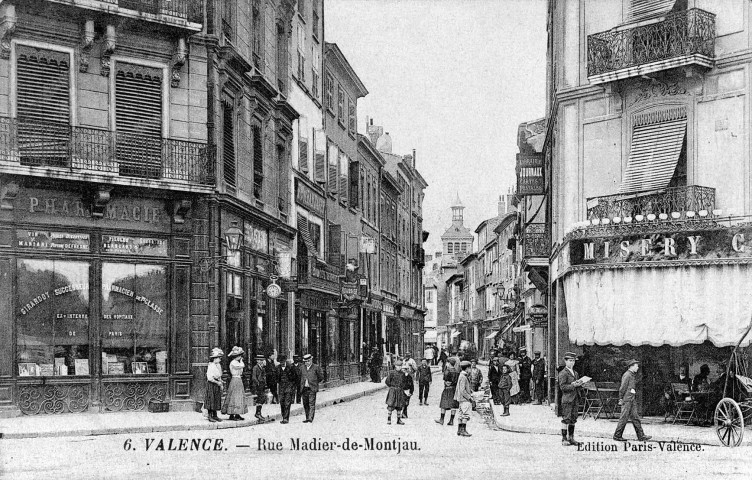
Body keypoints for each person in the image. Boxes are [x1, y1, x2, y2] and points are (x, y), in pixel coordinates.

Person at [613, 359, 651, 442]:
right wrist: (620, 398)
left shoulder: (631, 375)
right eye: (636, 366)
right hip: (627, 400)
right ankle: (617, 435)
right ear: (632, 366)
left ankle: (641, 436)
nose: (637, 367)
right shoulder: (627, 375)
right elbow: (622, 388)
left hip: (631, 399)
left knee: (635, 417)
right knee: (623, 418)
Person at [558, 352, 585, 446]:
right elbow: (563, 387)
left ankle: (571, 438)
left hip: (575, 398)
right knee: (566, 419)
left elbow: (576, 386)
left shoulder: (576, 373)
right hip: (567, 399)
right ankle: (564, 438)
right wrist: (573, 385)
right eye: (570, 361)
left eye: (573, 361)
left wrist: (580, 384)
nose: (572, 363)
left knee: (573, 419)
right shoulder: (563, 373)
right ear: (565, 361)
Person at [221, 346, 247, 421]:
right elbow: (242, 366)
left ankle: (237, 413)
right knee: (234, 396)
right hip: (235, 379)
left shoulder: (237, 362)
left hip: (238, 379)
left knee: (239, 396)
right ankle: (232, 413)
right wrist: (242, 361)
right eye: (239, 356)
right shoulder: (233, 363)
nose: (240, 357)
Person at [299, 353, 324, 423]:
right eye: (306, 361)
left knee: (311, 403)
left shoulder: (316, 367)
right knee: (305, 403)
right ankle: (307, 417)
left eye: (308, 361)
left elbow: (321, 377)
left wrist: (315, 383)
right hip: (304, 389)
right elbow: (299, 377)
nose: (307, 363)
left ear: (311, 360)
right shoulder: (302, 368)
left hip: (312, 388)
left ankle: (310, 418)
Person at [435, 358, 459, 426]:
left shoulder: (447, 371)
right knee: (453, 405)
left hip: (447, 388)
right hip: (454, 389)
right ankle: (451, 421)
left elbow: (445, 380)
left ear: (449, 363)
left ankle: (441, 419)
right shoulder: (457, 372)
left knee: (443, 404)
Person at [277, 354, 299, 424]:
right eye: (280, 362)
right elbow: (276, 378)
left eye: (283, 362)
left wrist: (293, 387)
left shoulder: (291, 367)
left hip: (289, 387)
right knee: (282, 402)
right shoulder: (277, 368)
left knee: (287, 403)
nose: (282, 364)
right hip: (281, 387)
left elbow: (296, 377)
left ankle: (286, 418)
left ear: (285, 361)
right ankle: (284, 416)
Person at [454, 360, 473, 437]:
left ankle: (459, 430)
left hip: (460, 399)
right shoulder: (464, 377)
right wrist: (470, 397)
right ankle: (463, 430)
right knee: (465, 415)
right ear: (467, 368)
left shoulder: (461, 376)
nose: (470, 370)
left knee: (461, 414)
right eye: (470, 368)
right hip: (464, 399)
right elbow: (462, 390)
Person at [204, 347, 224, 423]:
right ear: (215, 358)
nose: (220, 359)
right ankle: (210, 416)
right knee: (211, 400)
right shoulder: (211, 366)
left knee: (216, 399)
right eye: (219, 358)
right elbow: (210, 378)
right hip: (212, 384)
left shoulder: (217, 365)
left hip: (216, 384)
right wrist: (217, 382)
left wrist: (220, 381)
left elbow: (218, 375)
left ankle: (215, 415)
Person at [385, 360, 406, 425]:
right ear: (395, 366)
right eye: (397, 366)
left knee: (400, 405)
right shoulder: (392, 373)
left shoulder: (402, 374)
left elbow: (404, 382)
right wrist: (392, 387)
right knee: (391, 404)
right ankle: (389, 419)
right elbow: (387, 381)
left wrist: (401, 388)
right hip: (393, 390)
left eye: (400, 366)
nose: (399, 367)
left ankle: (398, 419)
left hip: (400, 391)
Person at [251, 354, 269, 422]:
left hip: (262, 384)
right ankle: (258, 413)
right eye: (260, 360)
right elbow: (254, 377)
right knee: (261, 397)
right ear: (257, 361)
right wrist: (257, 383)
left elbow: (264, 376)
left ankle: (259, 413)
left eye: (262, 360)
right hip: (258, 385)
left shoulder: (262, 368)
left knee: (262, 398)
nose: (261, 361)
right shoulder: (255, 367)